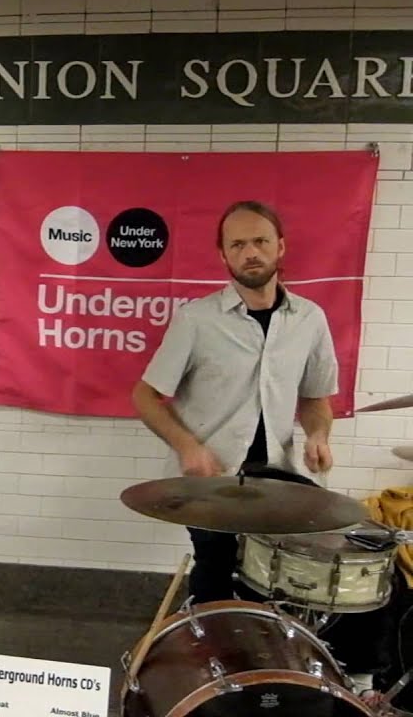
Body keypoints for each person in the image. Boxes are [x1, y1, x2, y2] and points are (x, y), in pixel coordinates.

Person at [131, 199, 338, 605]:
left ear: (281, 246)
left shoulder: (310, 319)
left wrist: (318, 434)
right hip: (213, 480)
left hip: (278, 476)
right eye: (238, 244)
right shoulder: (196, 320)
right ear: (222, 254)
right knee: (215, 569)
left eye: (260, 241)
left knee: (272, 579)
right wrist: (188, 446)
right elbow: (145, 396)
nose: (250, 252)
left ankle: (260, 658)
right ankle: (210, 655)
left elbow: (315, 399)